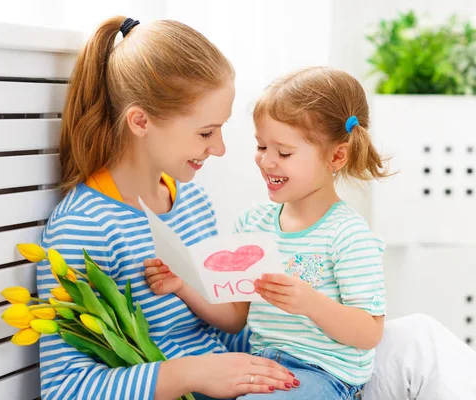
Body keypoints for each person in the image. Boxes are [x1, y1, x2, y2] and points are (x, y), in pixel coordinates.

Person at [37, 16, 476, 400]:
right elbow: (65, 388)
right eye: (207, 132)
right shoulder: (84, 226)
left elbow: (234, 317)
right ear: (140, 122)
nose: (222, 148)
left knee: (422, 338)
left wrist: (302, 328)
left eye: (223, 129)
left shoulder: (191, 201)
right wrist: (192, 373)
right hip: (215, 383)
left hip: (264, 365)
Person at [146, 67, 388, 399]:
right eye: (261, 147)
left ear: (336, 156)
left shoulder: (348, 235)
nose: (266, 161)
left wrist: (310, 303)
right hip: (260, 365)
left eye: (284, 153)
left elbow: (369, 332)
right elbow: (234, 319)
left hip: (323, 375)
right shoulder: (252, 224)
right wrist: (183, 287)